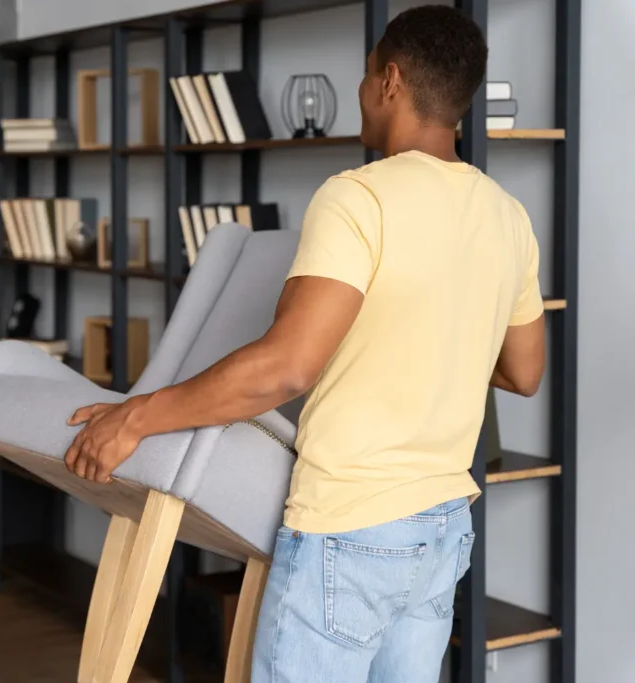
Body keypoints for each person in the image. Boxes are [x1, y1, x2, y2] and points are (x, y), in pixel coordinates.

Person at [61, 6, 545, 682]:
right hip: (440, 530)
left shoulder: (357, 198)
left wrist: (132, 416)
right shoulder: (507, 215)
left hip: (352, 527)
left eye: (367, 72)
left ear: (391, 81)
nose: (361, 87)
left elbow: (285, 366)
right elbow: (525, 371)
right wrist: (436, 330)